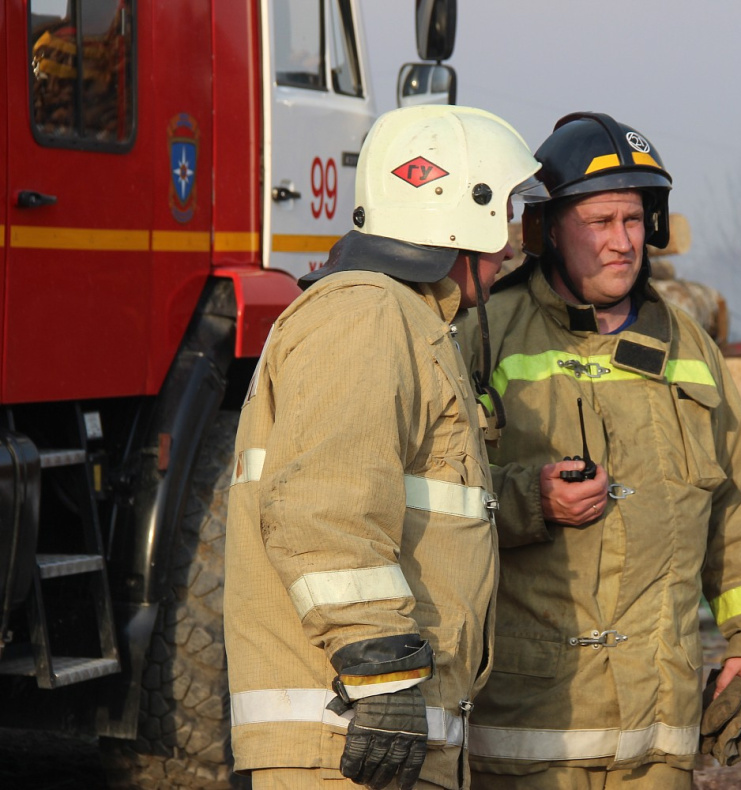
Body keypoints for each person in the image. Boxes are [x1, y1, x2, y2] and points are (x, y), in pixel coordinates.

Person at [458, 112, 741, 789]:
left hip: (657, 733)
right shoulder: (485, 333)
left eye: (634, 221)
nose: (622, 243)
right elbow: (429, 495)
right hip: (526, 729)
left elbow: (738, 510)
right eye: (599, 223)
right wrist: (529, 500)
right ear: (547, 229)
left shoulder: (688, 348)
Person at [224, 105, 543, 790]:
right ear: (466, 212)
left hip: (365, 736)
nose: (512, 244)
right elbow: (321, 508)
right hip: (344, 739)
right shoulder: (369, 315)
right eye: (506, 214)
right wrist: (382, 672)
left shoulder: (405, 320)